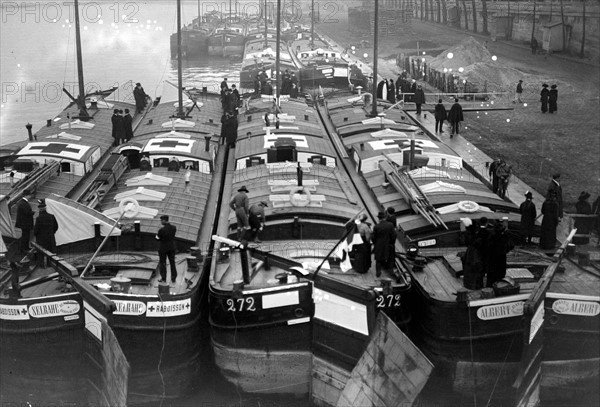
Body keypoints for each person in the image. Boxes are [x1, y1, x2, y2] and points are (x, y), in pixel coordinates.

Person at [487, 221, 514, 287]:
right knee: (500, 273)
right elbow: (511, 245)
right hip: (501, 257)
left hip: (492, 258)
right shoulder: (504, 237)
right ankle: (498, 286)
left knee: (491, 274)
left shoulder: (491, 237)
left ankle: (490, 285)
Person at [371, 211, 397, 278]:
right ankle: (391, 272)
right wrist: (391, 242)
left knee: (378, 260)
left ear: (379, 218)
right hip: (389, 245)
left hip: (379, 245)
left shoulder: (376, 227)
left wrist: (375, 243)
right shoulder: (390, 225)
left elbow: (373, 237)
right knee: (390, 258)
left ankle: (378, 272)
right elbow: (394, 235)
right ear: (385, 217)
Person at [156, 215, 178, 283]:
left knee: (163, 263)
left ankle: (163, 278)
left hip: (163, 248)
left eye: (161, 220)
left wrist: (157, 237)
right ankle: (173, 278)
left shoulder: (161, 230)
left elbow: (157, 238)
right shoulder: (174, 228)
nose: (161, 222)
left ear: (164, 220)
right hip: (171, 247)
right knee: (172, 263)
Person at [15, 189, 34, 254]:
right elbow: (27, 212)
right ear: (26, 195)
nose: (30, 196)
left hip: (24, 223)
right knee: (25, 236)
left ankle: (25, 247)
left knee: (26, 235)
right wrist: (32, 213)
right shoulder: (23, 203)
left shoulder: (22, 202)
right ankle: (24, 249)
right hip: (25, 223)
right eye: (29, 195)